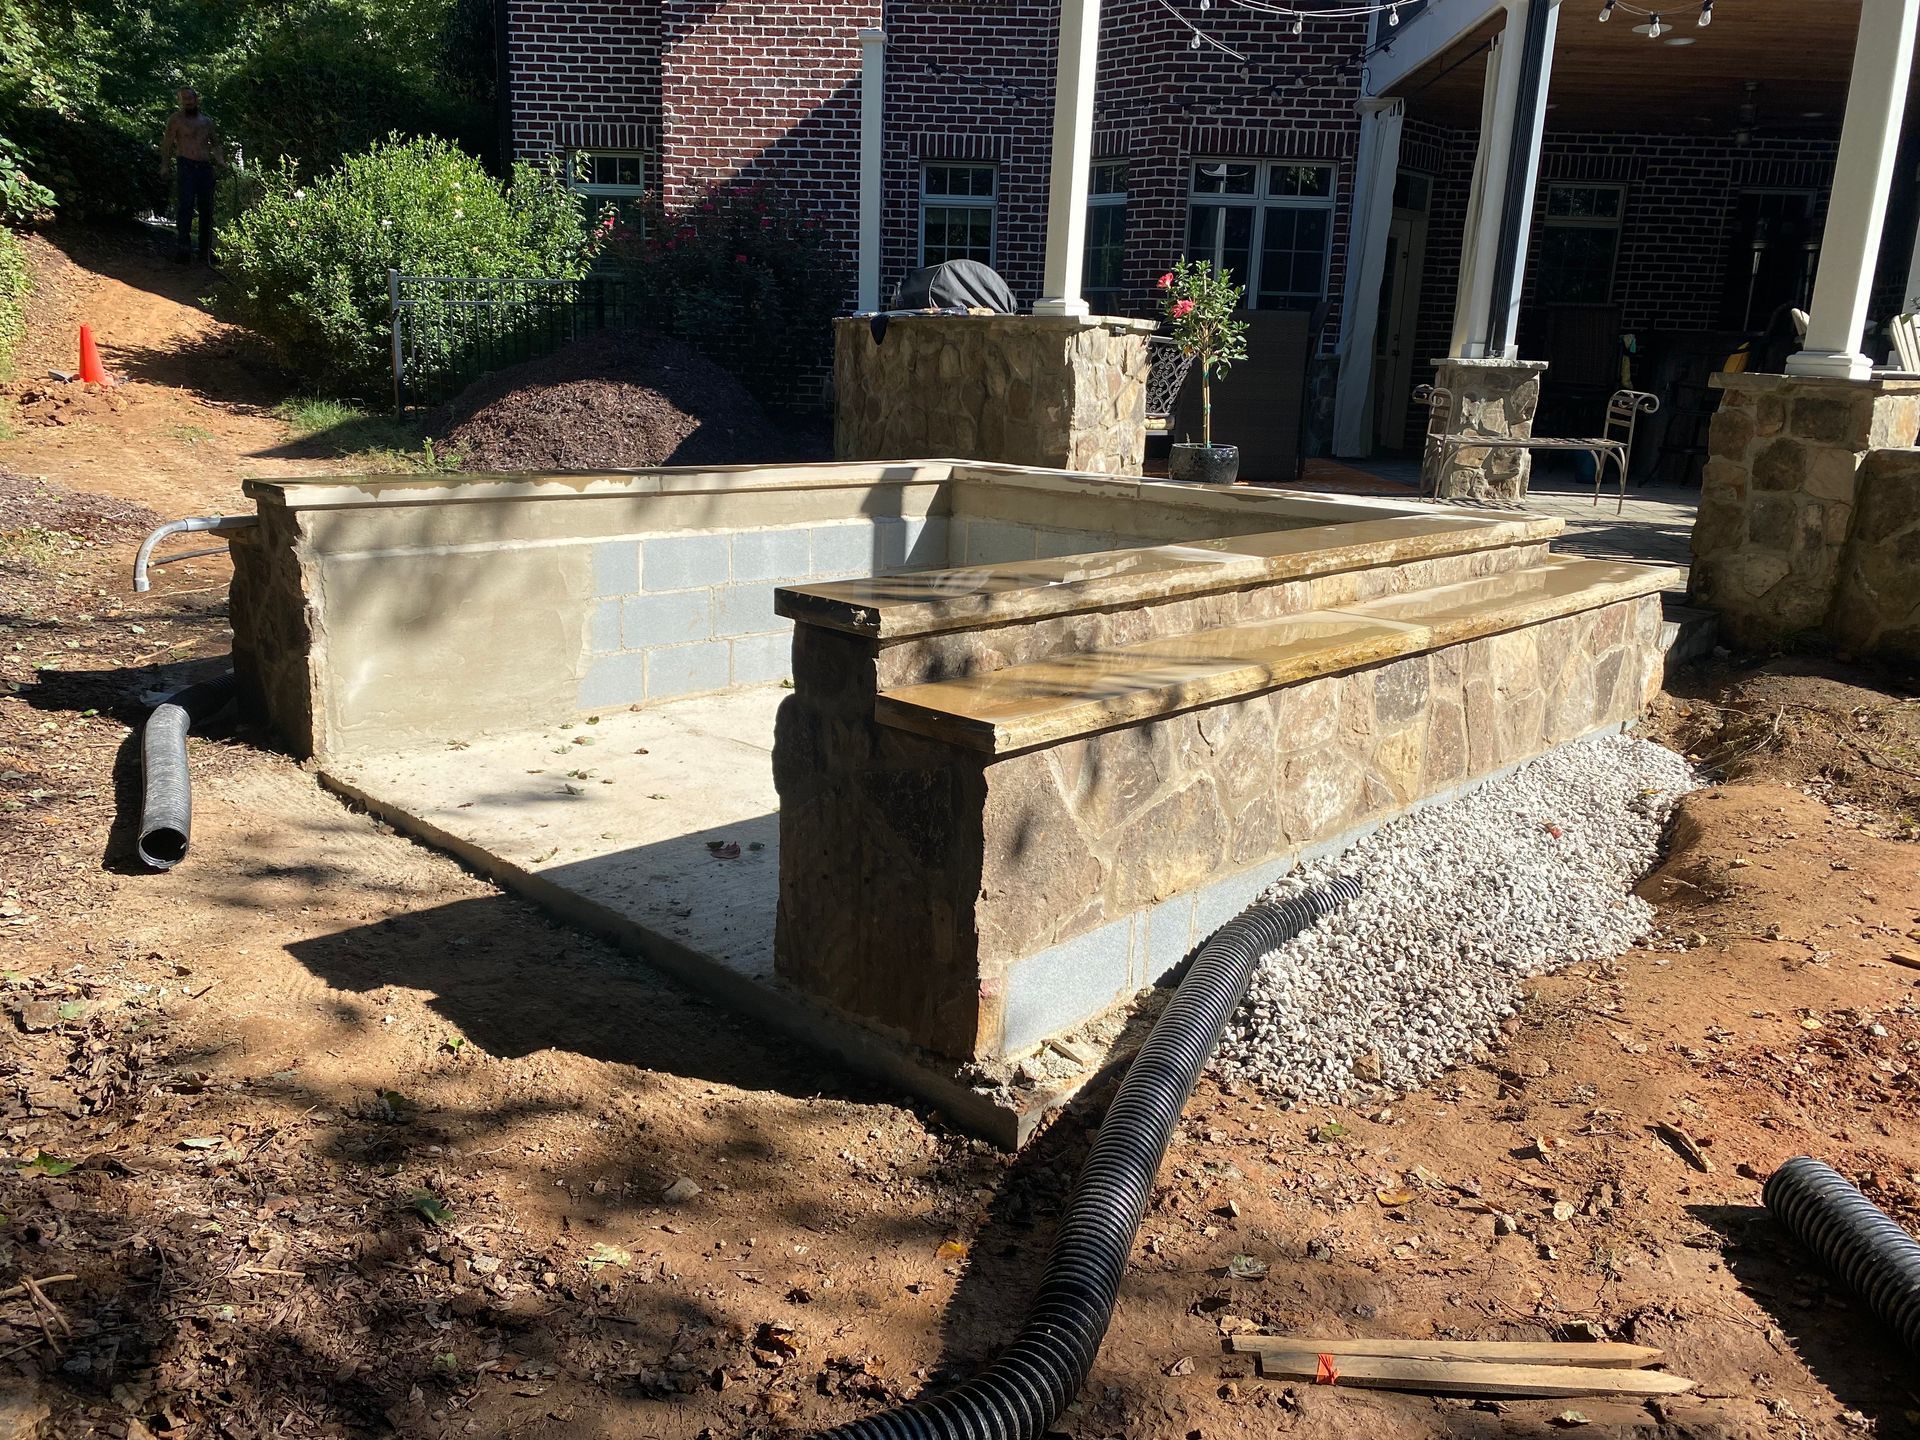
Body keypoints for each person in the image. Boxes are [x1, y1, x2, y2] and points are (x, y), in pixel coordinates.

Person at [159, 87, 222, 264]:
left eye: (190, 98)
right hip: (185, 165)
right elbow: (168, 144)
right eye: (184, 99)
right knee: (185, 206)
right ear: (181, 101)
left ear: (196, 99)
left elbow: (215, 144)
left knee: (206, 209)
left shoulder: (207, 122)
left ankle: (205, 250)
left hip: (204, 167)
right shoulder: (175, 120)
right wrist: (165, 165)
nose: (187, 101)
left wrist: (220, 160)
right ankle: (183, 248)